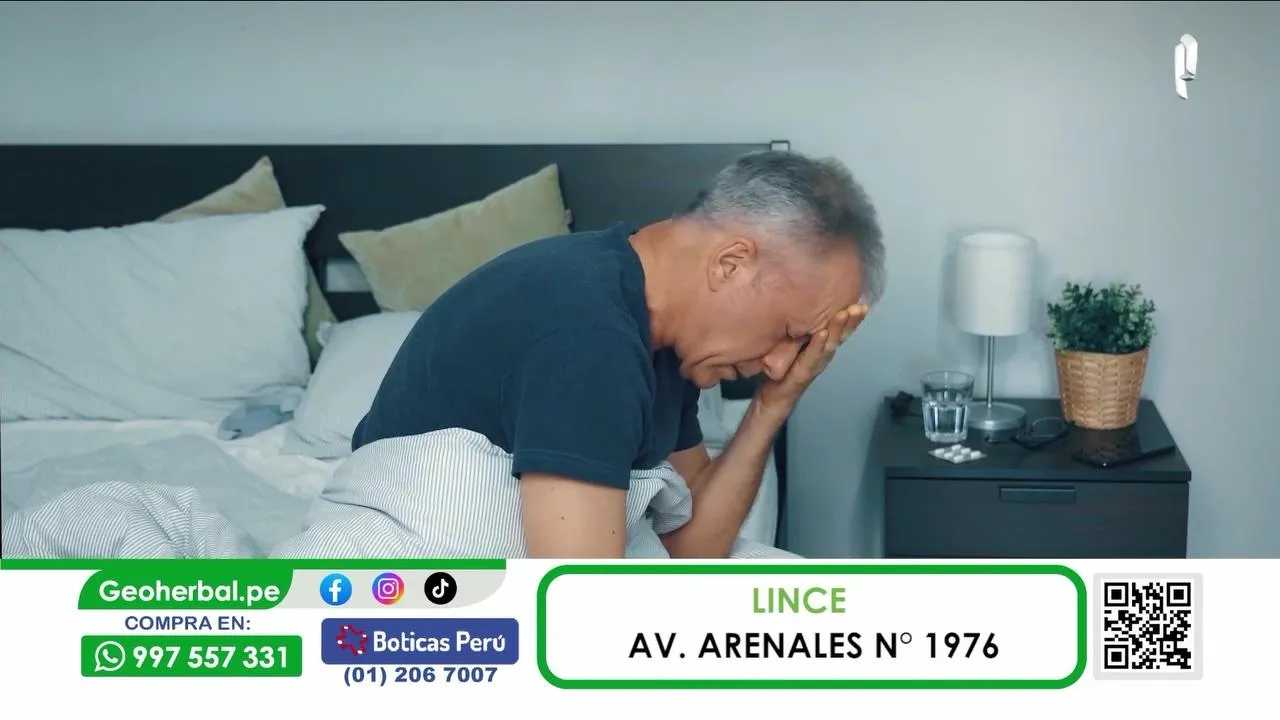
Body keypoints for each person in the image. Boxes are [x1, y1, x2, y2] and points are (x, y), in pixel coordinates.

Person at [351, 150, 885, 559]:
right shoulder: (587, 333)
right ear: (731, 263)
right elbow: (581, 609)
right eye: (790, 332)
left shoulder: (658, 332)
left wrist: (773, 402)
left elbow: (690, 547)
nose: (779, 362)